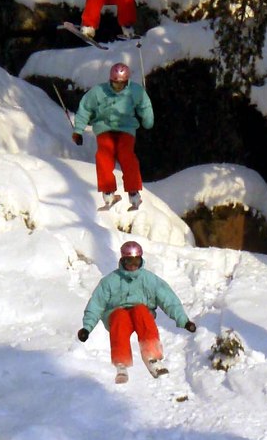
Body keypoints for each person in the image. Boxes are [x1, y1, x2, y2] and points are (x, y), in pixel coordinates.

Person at [77, 240, 197, 383]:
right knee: (120, 316)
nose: (133, 266)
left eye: (136, 262)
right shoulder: (110, 281)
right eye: (129, 262)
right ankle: (121, 363)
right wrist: (87, 328)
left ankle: (153, 357)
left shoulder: (149, 279)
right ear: (123, 261)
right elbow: (96, 304)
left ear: (141, 260)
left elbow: (168, 300)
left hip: (140, 315)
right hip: (117, 314)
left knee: (140, 310)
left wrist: (184, 321)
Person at [71, 61, 153, 210]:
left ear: (127, 82)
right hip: (105, 128)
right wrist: (78, 130)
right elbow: (85, 109)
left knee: (126, 155)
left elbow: (145, 105)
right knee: (103, 155)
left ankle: (133, 192)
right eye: (115, 84)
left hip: (126, 128)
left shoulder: (135, 91)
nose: (118, 87)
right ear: (110, 80)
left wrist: (148, 121)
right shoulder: (98, 91)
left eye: (121, 85)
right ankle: (108, 192)